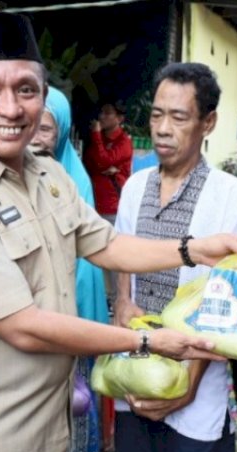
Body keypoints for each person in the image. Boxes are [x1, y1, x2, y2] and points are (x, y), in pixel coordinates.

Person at [0, 13, 237, 452]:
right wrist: (147, 344)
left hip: (44, 434)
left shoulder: (47, 177)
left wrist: (192, 248)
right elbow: (22, 326)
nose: (11, 107)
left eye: (26, 90)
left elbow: (107, 244)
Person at [108, 62, 237, 452]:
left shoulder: (229, 194)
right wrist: (120, 299)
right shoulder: (135, 185)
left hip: (195, 379)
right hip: (135, 367)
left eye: (179, 117)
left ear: (207, 122)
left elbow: (227, 301)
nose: (163, 129)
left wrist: (187, 387)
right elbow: (119, 254)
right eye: (156, 115)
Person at [30, 86, 107, 452]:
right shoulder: (18, 178)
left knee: (73, 431)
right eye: (32, 126)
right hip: (35, 331)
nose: (37, 136)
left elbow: (86, 265)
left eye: (47, 127)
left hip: (72, 327)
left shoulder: (72, 181)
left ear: (60, 132)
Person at [84, 98, 133, 306]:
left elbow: (103, 161)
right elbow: (90, 163)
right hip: (94, 203)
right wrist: (103, 162)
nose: (102, 117)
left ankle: (117, 301)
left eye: (107, 113)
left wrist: (96, 138)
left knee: (112, 255)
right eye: (101, 113)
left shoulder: (124, 142)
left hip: (113, 205)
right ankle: (102, 299)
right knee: (94, 255)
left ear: (120, 118)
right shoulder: (99, 139)